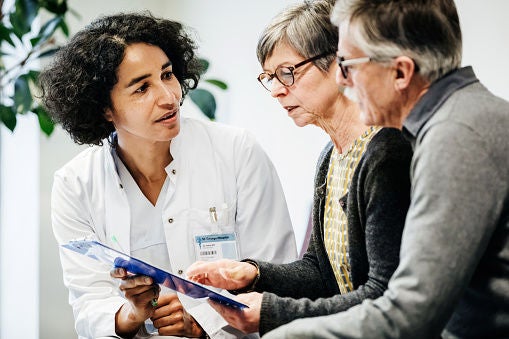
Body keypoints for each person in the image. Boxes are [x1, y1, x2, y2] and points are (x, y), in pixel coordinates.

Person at [39, 12, 297, 339]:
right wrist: (131, 314)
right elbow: (88, 302)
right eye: (142, 87)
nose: (168, 96)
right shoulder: (75, 185)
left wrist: (202, 323)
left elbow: (279, 275)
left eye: (167, 74)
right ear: (104, 107)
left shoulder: (236, 152)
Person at [260, 0, 509, 338]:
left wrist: (284, 333)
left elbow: (411, 312)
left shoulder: (455, 137)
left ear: (401, 72)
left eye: (348, 64)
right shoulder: (460, 119)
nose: (343, 79)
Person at [186, 0, 412, 336]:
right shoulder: (329, 158)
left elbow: (385, 294)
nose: (277, 90)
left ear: (339, 63)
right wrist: (251, 273)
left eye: (287, 73)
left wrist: (274, 312)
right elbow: (320, 272)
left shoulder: (385, 152)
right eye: (269, 77)